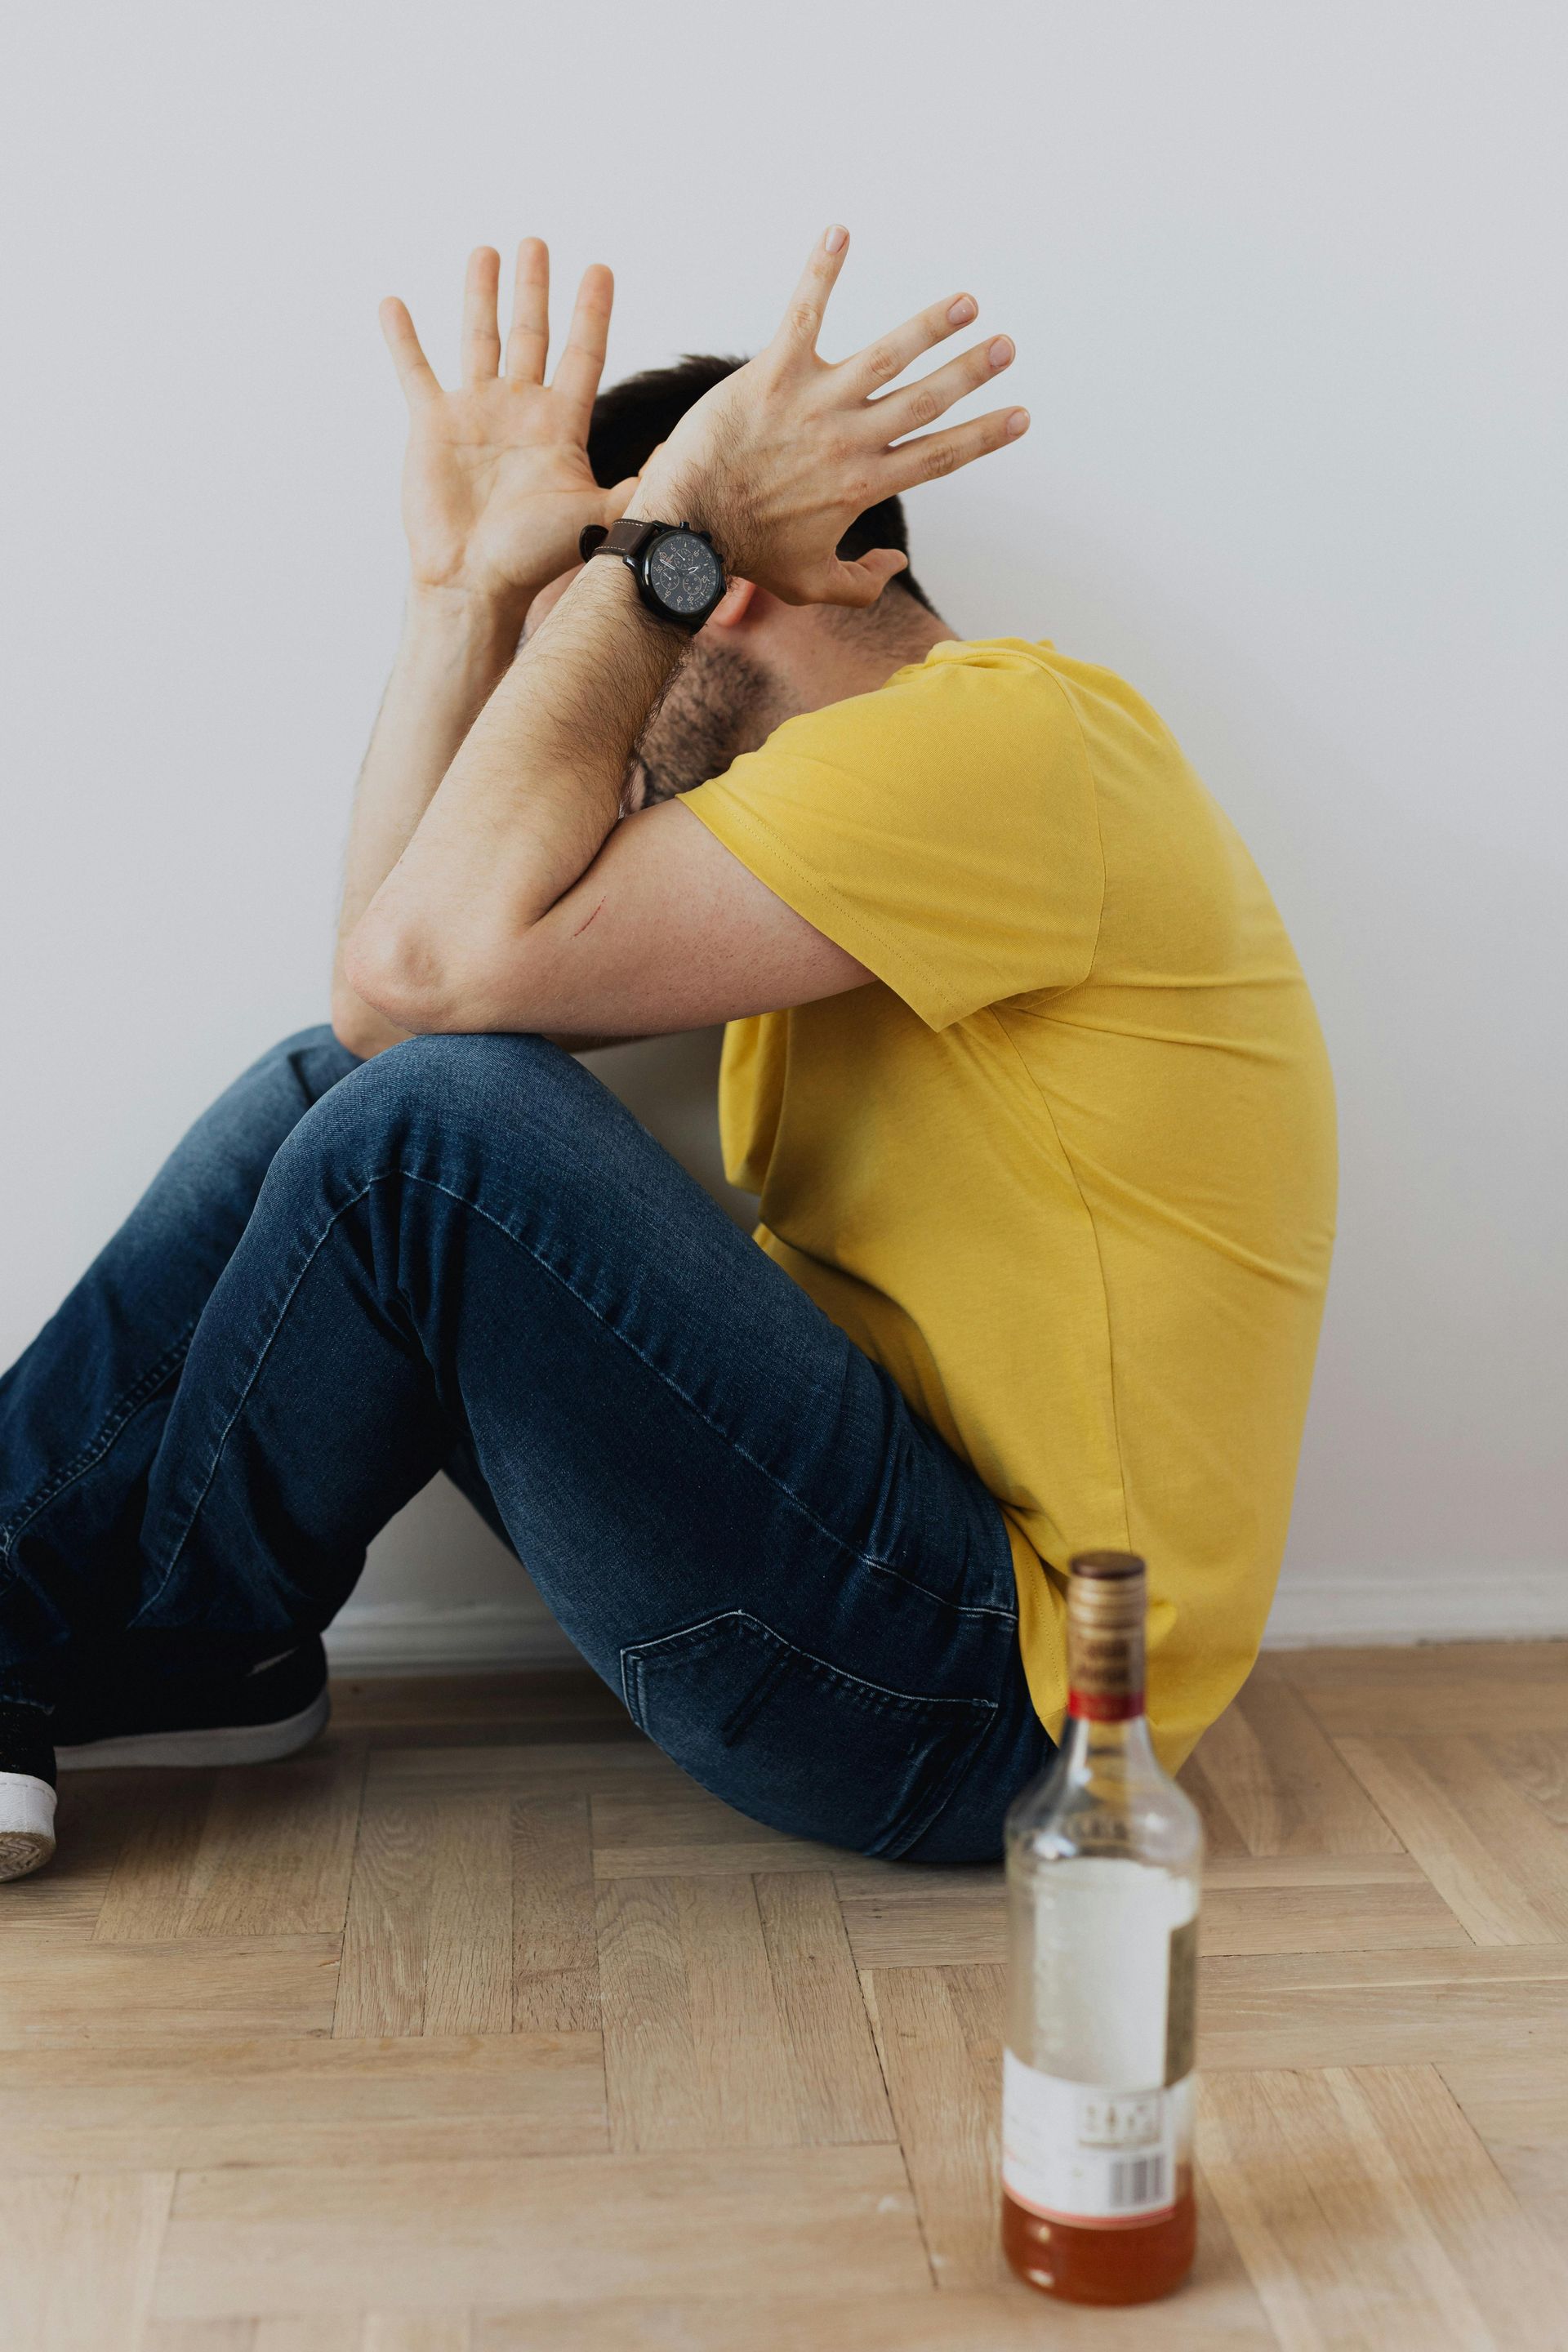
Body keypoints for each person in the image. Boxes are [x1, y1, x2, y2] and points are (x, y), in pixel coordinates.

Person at [0, 229, 1336, 1885]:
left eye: (614, 604)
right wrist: (465, 596)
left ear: (742, 569)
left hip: (1005, 1710)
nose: (589, 680)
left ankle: (150, 1637)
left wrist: (662, 541)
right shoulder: (814, 866)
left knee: (429, 1128)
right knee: (343, 1096)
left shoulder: (1012, 737)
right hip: (889, 1618)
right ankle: (126, 1629)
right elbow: (376, 1009)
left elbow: (423, 992)